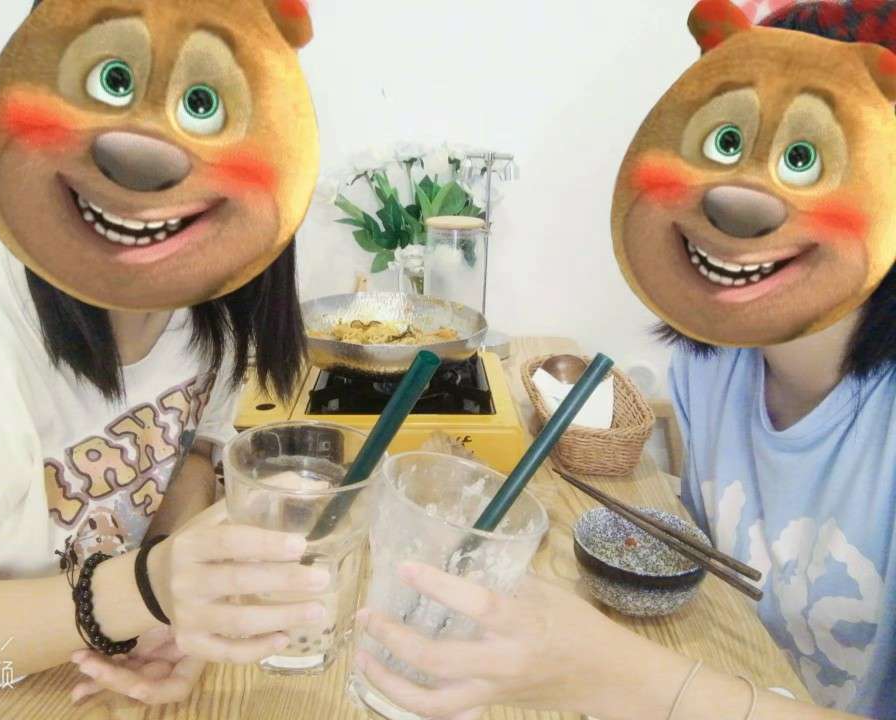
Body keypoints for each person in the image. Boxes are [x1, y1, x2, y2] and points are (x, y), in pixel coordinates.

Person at [352, 2, 896, 719]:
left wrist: (610, 672)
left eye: (807, 159)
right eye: (726, 142)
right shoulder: (716, 366)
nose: (737, 199)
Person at [0, 0, 323, 716]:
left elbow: (192, 453)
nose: (146, 153)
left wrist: (178, 597)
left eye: (203, 104)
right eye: (113, 81)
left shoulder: (217, 297)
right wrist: (147, 588)